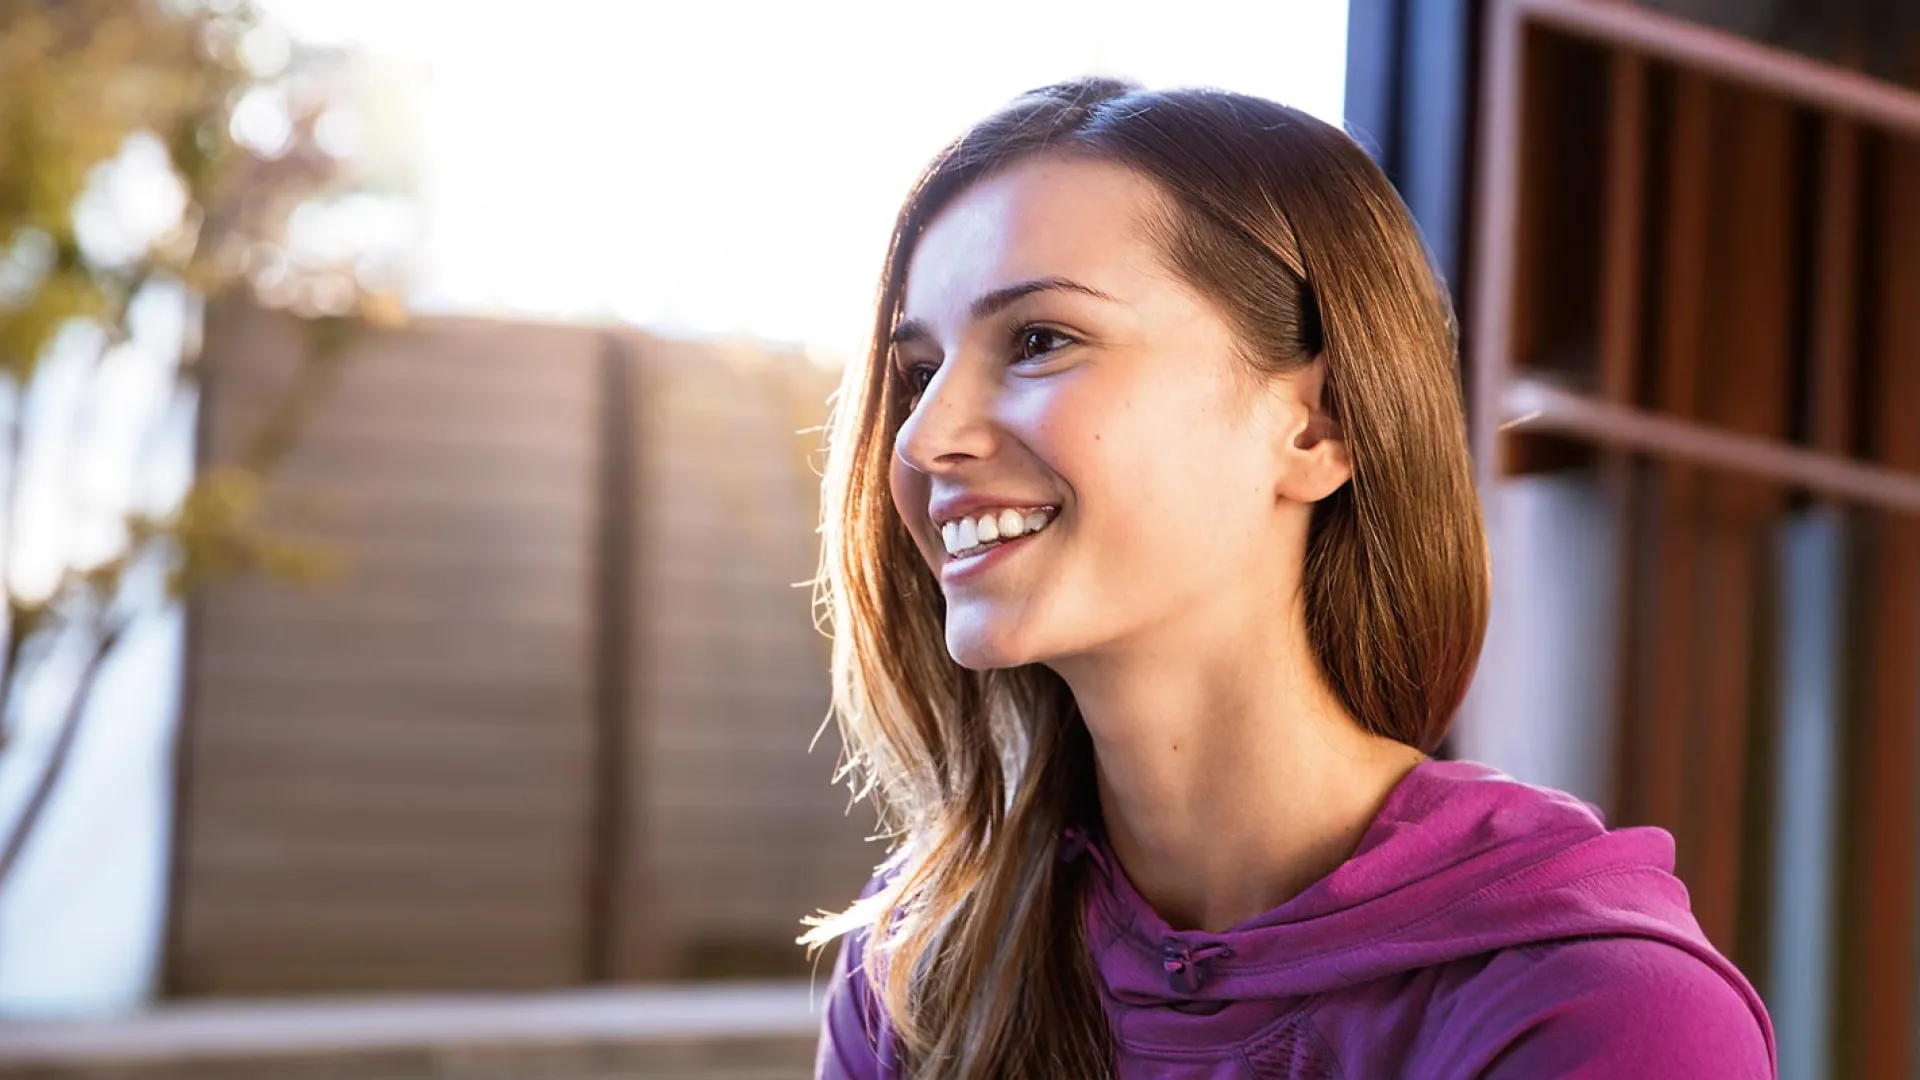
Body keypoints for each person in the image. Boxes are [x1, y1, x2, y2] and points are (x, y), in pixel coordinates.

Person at [802, 77, 1775, 1079]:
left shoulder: (1602, 1017)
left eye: (1042, 341)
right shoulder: (918, 969)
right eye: (917, 372)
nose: (924, 438)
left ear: (1320, 425)